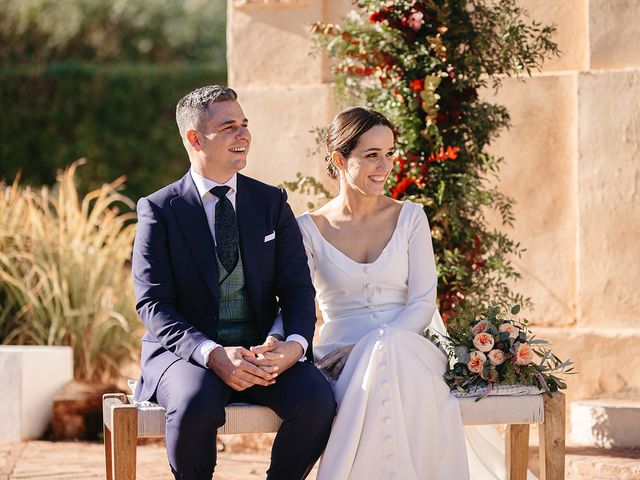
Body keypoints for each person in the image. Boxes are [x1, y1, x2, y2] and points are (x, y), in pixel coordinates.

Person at [131, 84, 336, 480]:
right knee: (195, 405)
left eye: (244, 124)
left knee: (316, 399)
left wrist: (293, 345)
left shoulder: (271, 202)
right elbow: (153, 303)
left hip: (262, 351)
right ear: (194, 138)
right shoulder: (159, 209)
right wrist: (211, 353)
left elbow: (296, 287)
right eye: (229, 127)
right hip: (187, 354)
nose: (243, 135)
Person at [271, 106, 470, 479]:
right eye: (372, 155)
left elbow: (423, 302)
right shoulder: (308, 228)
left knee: (388, 352)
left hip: (410, 345)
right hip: (340, 359)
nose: (385, 166)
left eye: (390, 153)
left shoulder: (411, 217)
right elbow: (298, 302)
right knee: (381, 363)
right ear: (338, 159)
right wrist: (276, 341)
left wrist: (374, 344)